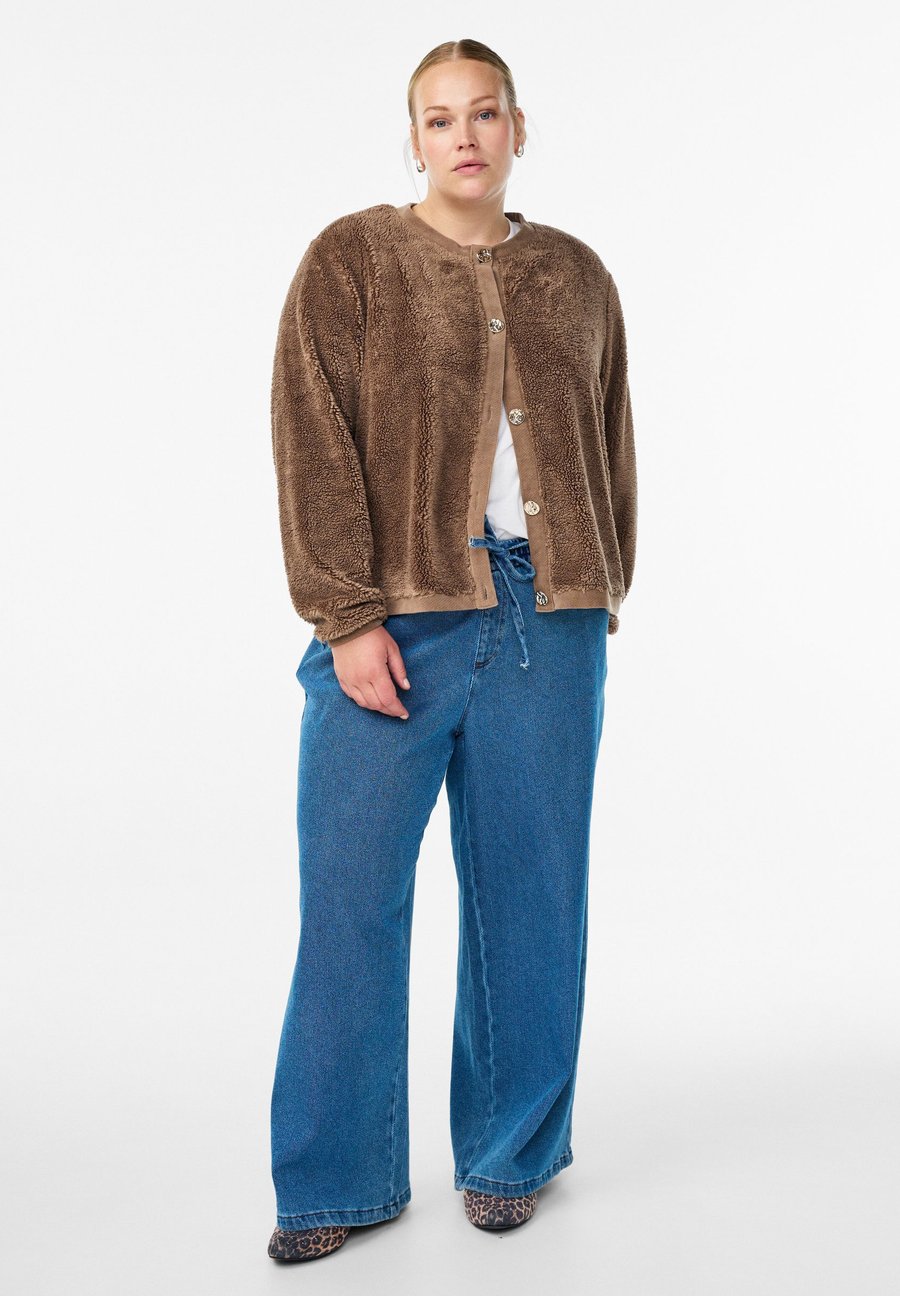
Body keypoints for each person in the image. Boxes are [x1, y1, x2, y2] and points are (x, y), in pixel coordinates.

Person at [266, 38, 638, 1263]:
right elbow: (312, 435)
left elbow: (611, 437)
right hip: (397, 614)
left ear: (520, 128)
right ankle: (336, 1180)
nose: (464, 137)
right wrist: (346, 615)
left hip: (551, 617)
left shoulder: (576, 274)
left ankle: (510, 1154)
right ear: (414, 138)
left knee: (535, 898)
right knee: (350, 902)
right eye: (440, 118)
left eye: (485, 114)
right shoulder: (354, 260)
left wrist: (597, 588)